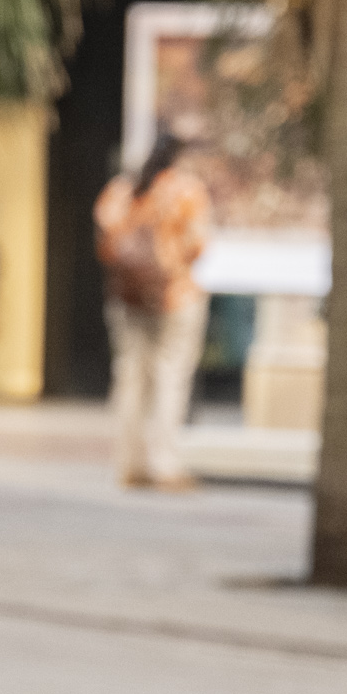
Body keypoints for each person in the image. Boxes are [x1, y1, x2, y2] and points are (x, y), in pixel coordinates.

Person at [93, 131, 211, 493]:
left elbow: (106, 242)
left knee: (130, 376)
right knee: (170, 376)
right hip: (175, 298)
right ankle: (165, 463)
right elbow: (197, 244)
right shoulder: (186, 191)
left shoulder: (120, 191)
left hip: (126, 299)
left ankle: (130, 463)